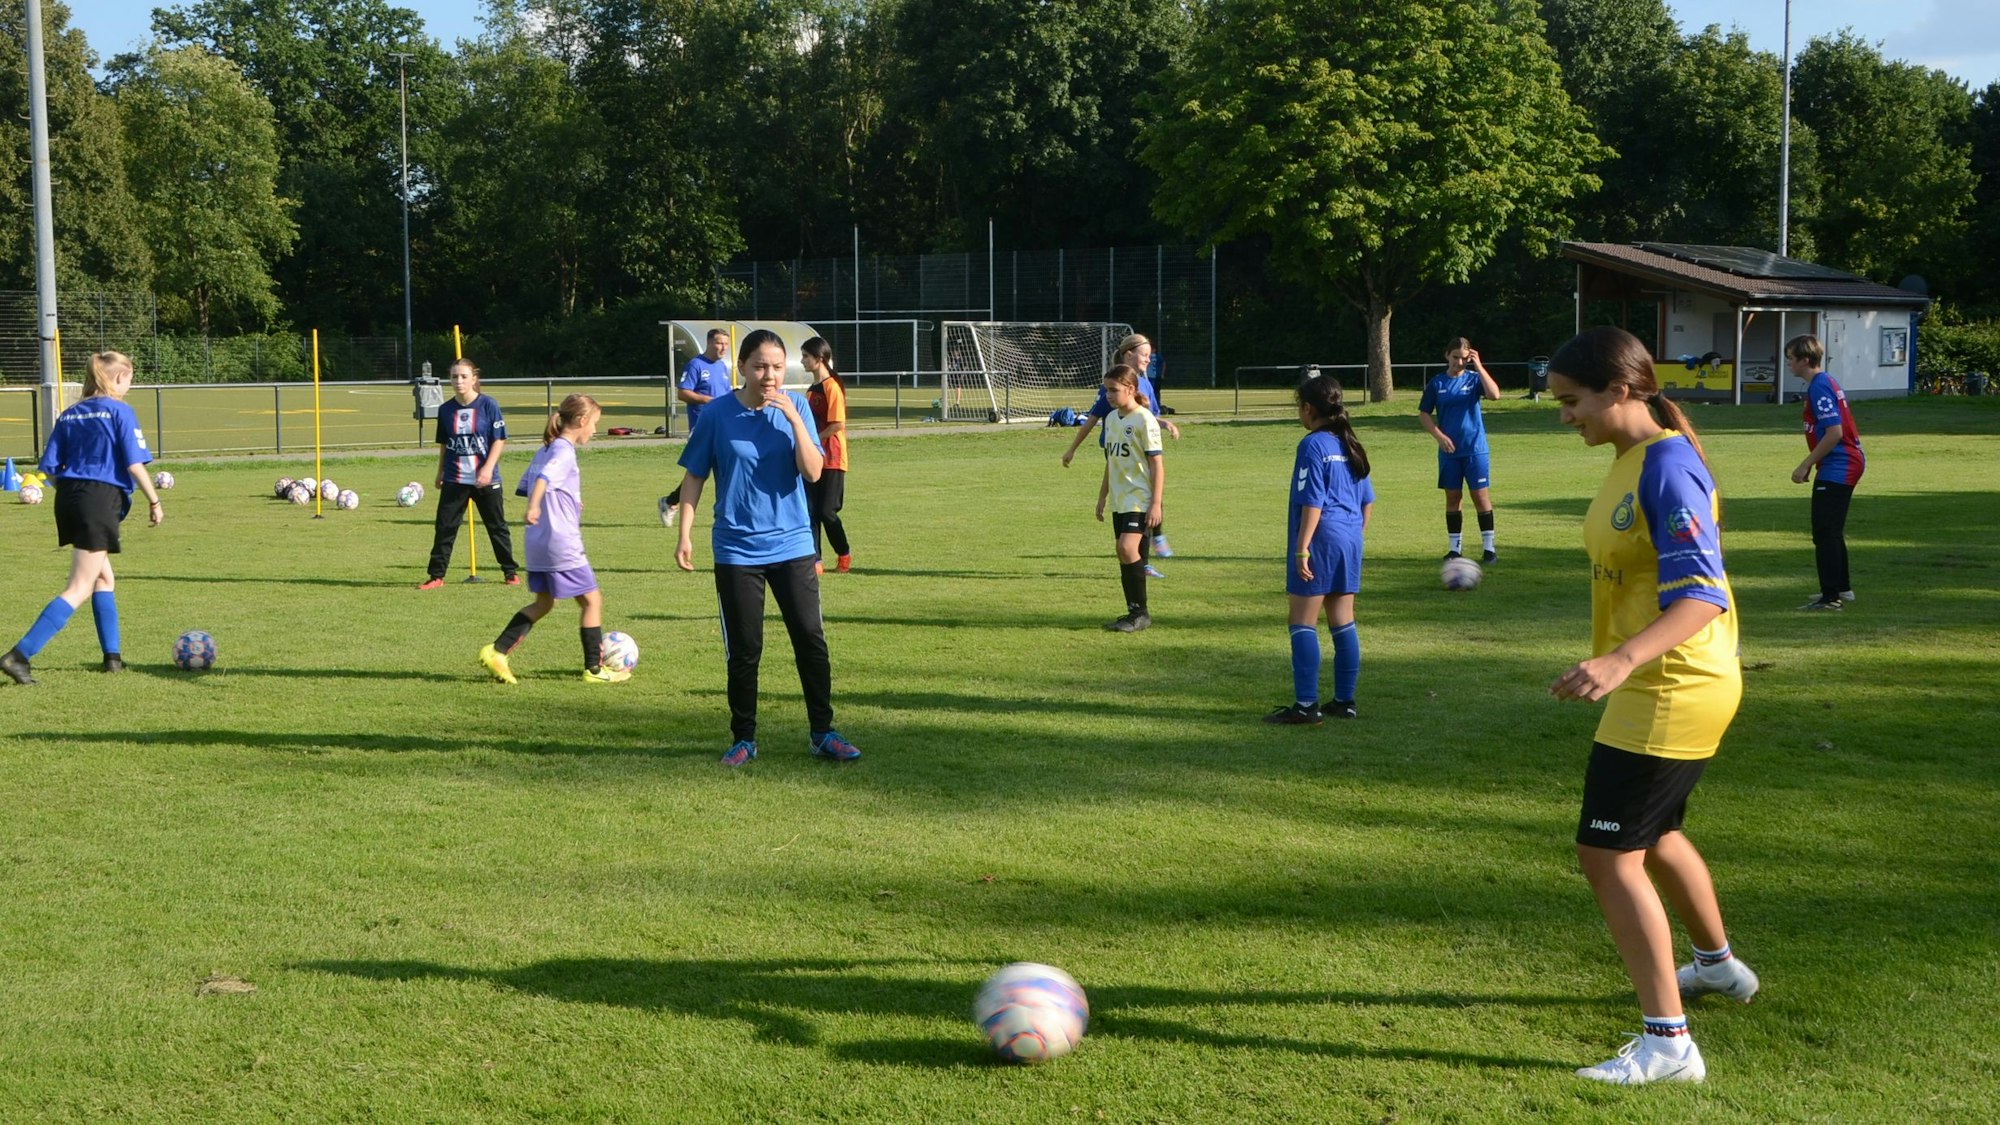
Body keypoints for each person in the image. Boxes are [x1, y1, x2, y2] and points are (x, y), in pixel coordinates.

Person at [1544, 326, 1757, 1086]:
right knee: (1658, 831)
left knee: (1607, 853)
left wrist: (1619, 657)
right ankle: (1719, 967)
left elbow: (1701, 593)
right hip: (1660, 683)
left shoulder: (1667, 464)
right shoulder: (1635, 456)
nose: (1565, 414)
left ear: (1622, 390)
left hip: (1671, 685)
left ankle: (1669, 1043)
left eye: (1573, 401)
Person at [672, 329, 860, 767]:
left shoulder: (797, 406)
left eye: (777, 367)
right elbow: (695, 475)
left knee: (810, 640)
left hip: (793, 544)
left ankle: (822, 732)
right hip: (737, 550)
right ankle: (744, 738)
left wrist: (794, 421)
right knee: (744, 649)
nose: (769, 375)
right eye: (760, 366)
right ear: (741, 367)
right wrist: (685, 532)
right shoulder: (717, 414)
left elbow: (814, 473)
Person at [1, 351, 164, 684]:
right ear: (120, 377)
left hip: (68, 498)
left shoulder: (70, 413)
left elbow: (50, 468)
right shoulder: (120, 410)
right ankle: (19, 656)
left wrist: (77, 491)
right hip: (99, 499)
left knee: (103, 579)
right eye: (130, 379)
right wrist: (155, 500)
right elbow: (134, 464)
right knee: (79, 586)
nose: (130, 386)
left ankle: (113, 658)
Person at [478, 395, 628, 685]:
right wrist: (535, 505)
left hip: (537, 542)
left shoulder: (544, 449)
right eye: (594, 424)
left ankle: (497, 652)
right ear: (582, 421)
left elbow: (530, 482)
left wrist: (568, 499)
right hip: (561, 542)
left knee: (544, 603)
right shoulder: (563, 450)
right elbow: (545, 479)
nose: (595, 430)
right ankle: (594, 670)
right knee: (592, 601)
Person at [1265, 373, 1373, 724]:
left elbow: (1313, 500)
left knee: (1302, 621)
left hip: (1321, 538)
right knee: (1343, 621)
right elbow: (1367, 502)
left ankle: (1307, 706)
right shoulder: (1350, 442)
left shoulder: (1313, 445)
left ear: (1308, 408)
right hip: (1349, 538)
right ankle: (1345, 701)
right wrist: (1352, 537)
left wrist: (1302, 547)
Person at [1062, 333, 1180, 568]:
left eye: (1150, 355)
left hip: (1140, 447)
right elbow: (1092, 418)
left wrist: (1164, 423)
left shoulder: (1144, 383)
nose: (1148, 359)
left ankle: (1153, 540)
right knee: (1129, 504)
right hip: (1115, 450)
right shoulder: (1113, 384)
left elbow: (1148, 416)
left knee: (1146, 495)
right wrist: (1072, 448)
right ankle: (1147, 548)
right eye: (1145, 355)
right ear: (1129, 354)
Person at [422, 359, 520, 589]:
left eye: (464, 376)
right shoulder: (446, 410)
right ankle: (436, 576)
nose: (459, 381)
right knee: (444, 528)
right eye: (454, 377)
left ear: (474, 379)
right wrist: (440, 472)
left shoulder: (488, 405)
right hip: (455, 479)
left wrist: (487, 469)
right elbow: (445, 444)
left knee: (497, 527)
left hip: (486, 480)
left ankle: (510, 572)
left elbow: (499, 440)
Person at [1786, 334, 1863, 611]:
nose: (1788, 364)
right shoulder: (1825, 381)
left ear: (1805, 360)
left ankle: (1830, 597)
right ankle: (1841, 587)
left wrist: (1805, 463)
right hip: (1842, 461)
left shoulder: (1819, 387)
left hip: (1839, 464)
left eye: (1791, 359)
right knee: (1832, 530)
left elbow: (1834, 433)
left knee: (1825, 531)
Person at [1094, 364, 1165, 633]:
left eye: (1114, 390)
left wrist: (1156, 503)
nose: (1109, 396)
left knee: (1126, 549)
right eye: (1106, 390)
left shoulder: (1144, 419)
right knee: (1124, 553)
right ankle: (1133, 612)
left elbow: (1157, 464)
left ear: (1131, 389)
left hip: (1140, 497)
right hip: (1120, 499)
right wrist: (1102, 496)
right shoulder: (1112, 420)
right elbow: (1111, 461)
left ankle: (1141, 613)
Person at [1419, 337, 1502, 563]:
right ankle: (1455, 549)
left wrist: (1480, 366)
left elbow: (1495, 395)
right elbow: (1424, 413)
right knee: (1453, 497)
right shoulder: (1437, 383)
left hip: (1475, 450)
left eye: (1465, 358)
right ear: (1447, 355)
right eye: (1456, 357)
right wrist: (1439, 436)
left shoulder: (1475, 379)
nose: (1460, 362)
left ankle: (1489, 549)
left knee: (1480, 496)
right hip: (1449, 452)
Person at [661, 328, 735, 527]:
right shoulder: (696, 364)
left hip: (722, 424)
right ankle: (671, 503)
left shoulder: (722, 367)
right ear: (709, 343)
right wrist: (708, 400)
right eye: (720, 343)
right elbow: (683, 393)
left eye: (726, 344)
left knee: (710, 469)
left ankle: (671, 502)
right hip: (701, 425)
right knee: (699, 471)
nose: (723, 348)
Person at [802, 335, 853, 574]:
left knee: (826, 511)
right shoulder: (811, 390)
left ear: (819, 358)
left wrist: (813, 440)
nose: (802, 361)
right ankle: (816, 561)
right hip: (813, 458)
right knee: (810, 509)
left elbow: (837, 425)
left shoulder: (832, 386)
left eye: (806, 356)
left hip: (832, 457)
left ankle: (843, 553)